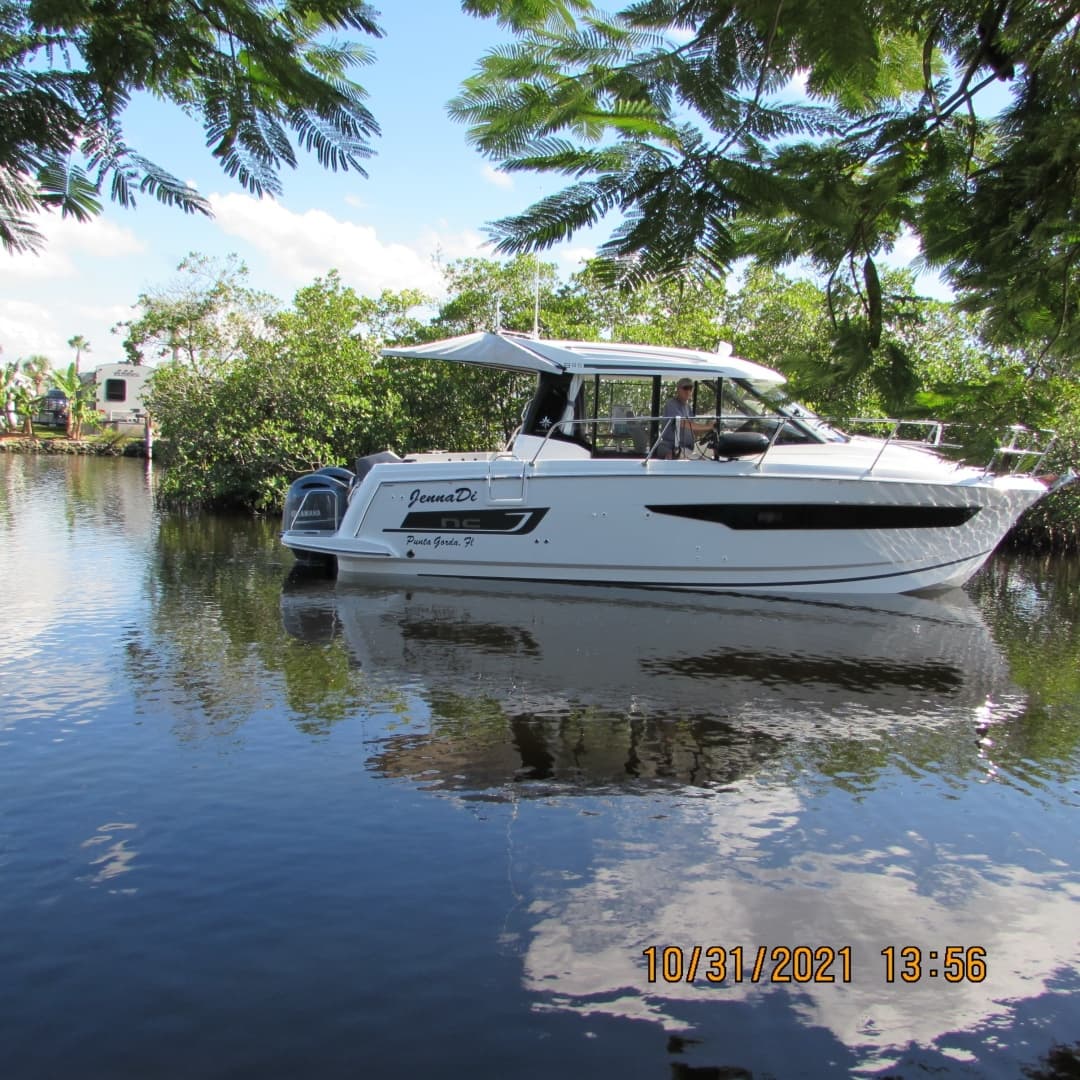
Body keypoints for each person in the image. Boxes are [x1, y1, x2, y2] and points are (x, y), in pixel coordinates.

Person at [656, 378, 714, 459]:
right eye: (685, 388)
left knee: (707, 457)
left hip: (686, 448)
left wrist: (709, 429)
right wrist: (708, 427)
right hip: (672, 447)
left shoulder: (688, 407)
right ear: (678, 389)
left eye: (690, 388)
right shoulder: (671, 404)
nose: (688, 391)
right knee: (701, 463)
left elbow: (693, 430)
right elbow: (683, 423)